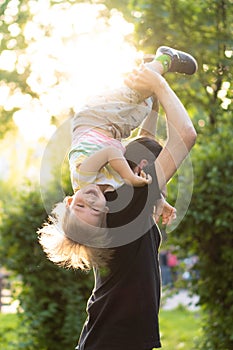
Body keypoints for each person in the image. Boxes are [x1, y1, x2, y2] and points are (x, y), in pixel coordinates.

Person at [38, 62, 197, 349]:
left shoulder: (115, 202)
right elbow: (182, 136)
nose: (86, 202)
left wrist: (156, 96)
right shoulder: (118, 204)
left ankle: (154, 69)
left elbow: (152, 142)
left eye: (79, 206)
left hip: (112, 339)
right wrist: (158, 87)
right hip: (114, 338)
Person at [39, 46, 197, 247]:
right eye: (94, 210)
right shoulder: (111, 187)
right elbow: (144, 144)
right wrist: (157, 199)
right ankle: (149, 66)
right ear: (105, 211)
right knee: (146, 102)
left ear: (69, 200)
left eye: (80, 205)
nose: (90, 201)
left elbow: (112, 152)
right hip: (112, 129)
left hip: (95, 119)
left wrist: (130, 177)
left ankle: (163, 60)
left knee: (137, 94)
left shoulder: (82, 175)